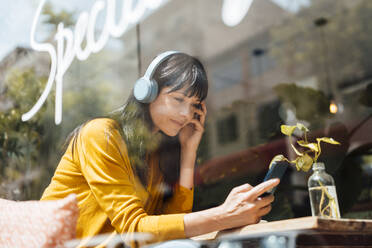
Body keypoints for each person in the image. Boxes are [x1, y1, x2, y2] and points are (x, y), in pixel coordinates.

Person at [41, 51, 279, 247]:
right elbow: (134, 230)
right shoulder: (101, 134)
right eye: (177, 100)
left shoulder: (155, 153)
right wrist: (223, 215)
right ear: (148, 91)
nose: (187, 114)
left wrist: (188, 152)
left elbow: (171, 224)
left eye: (194, 105)